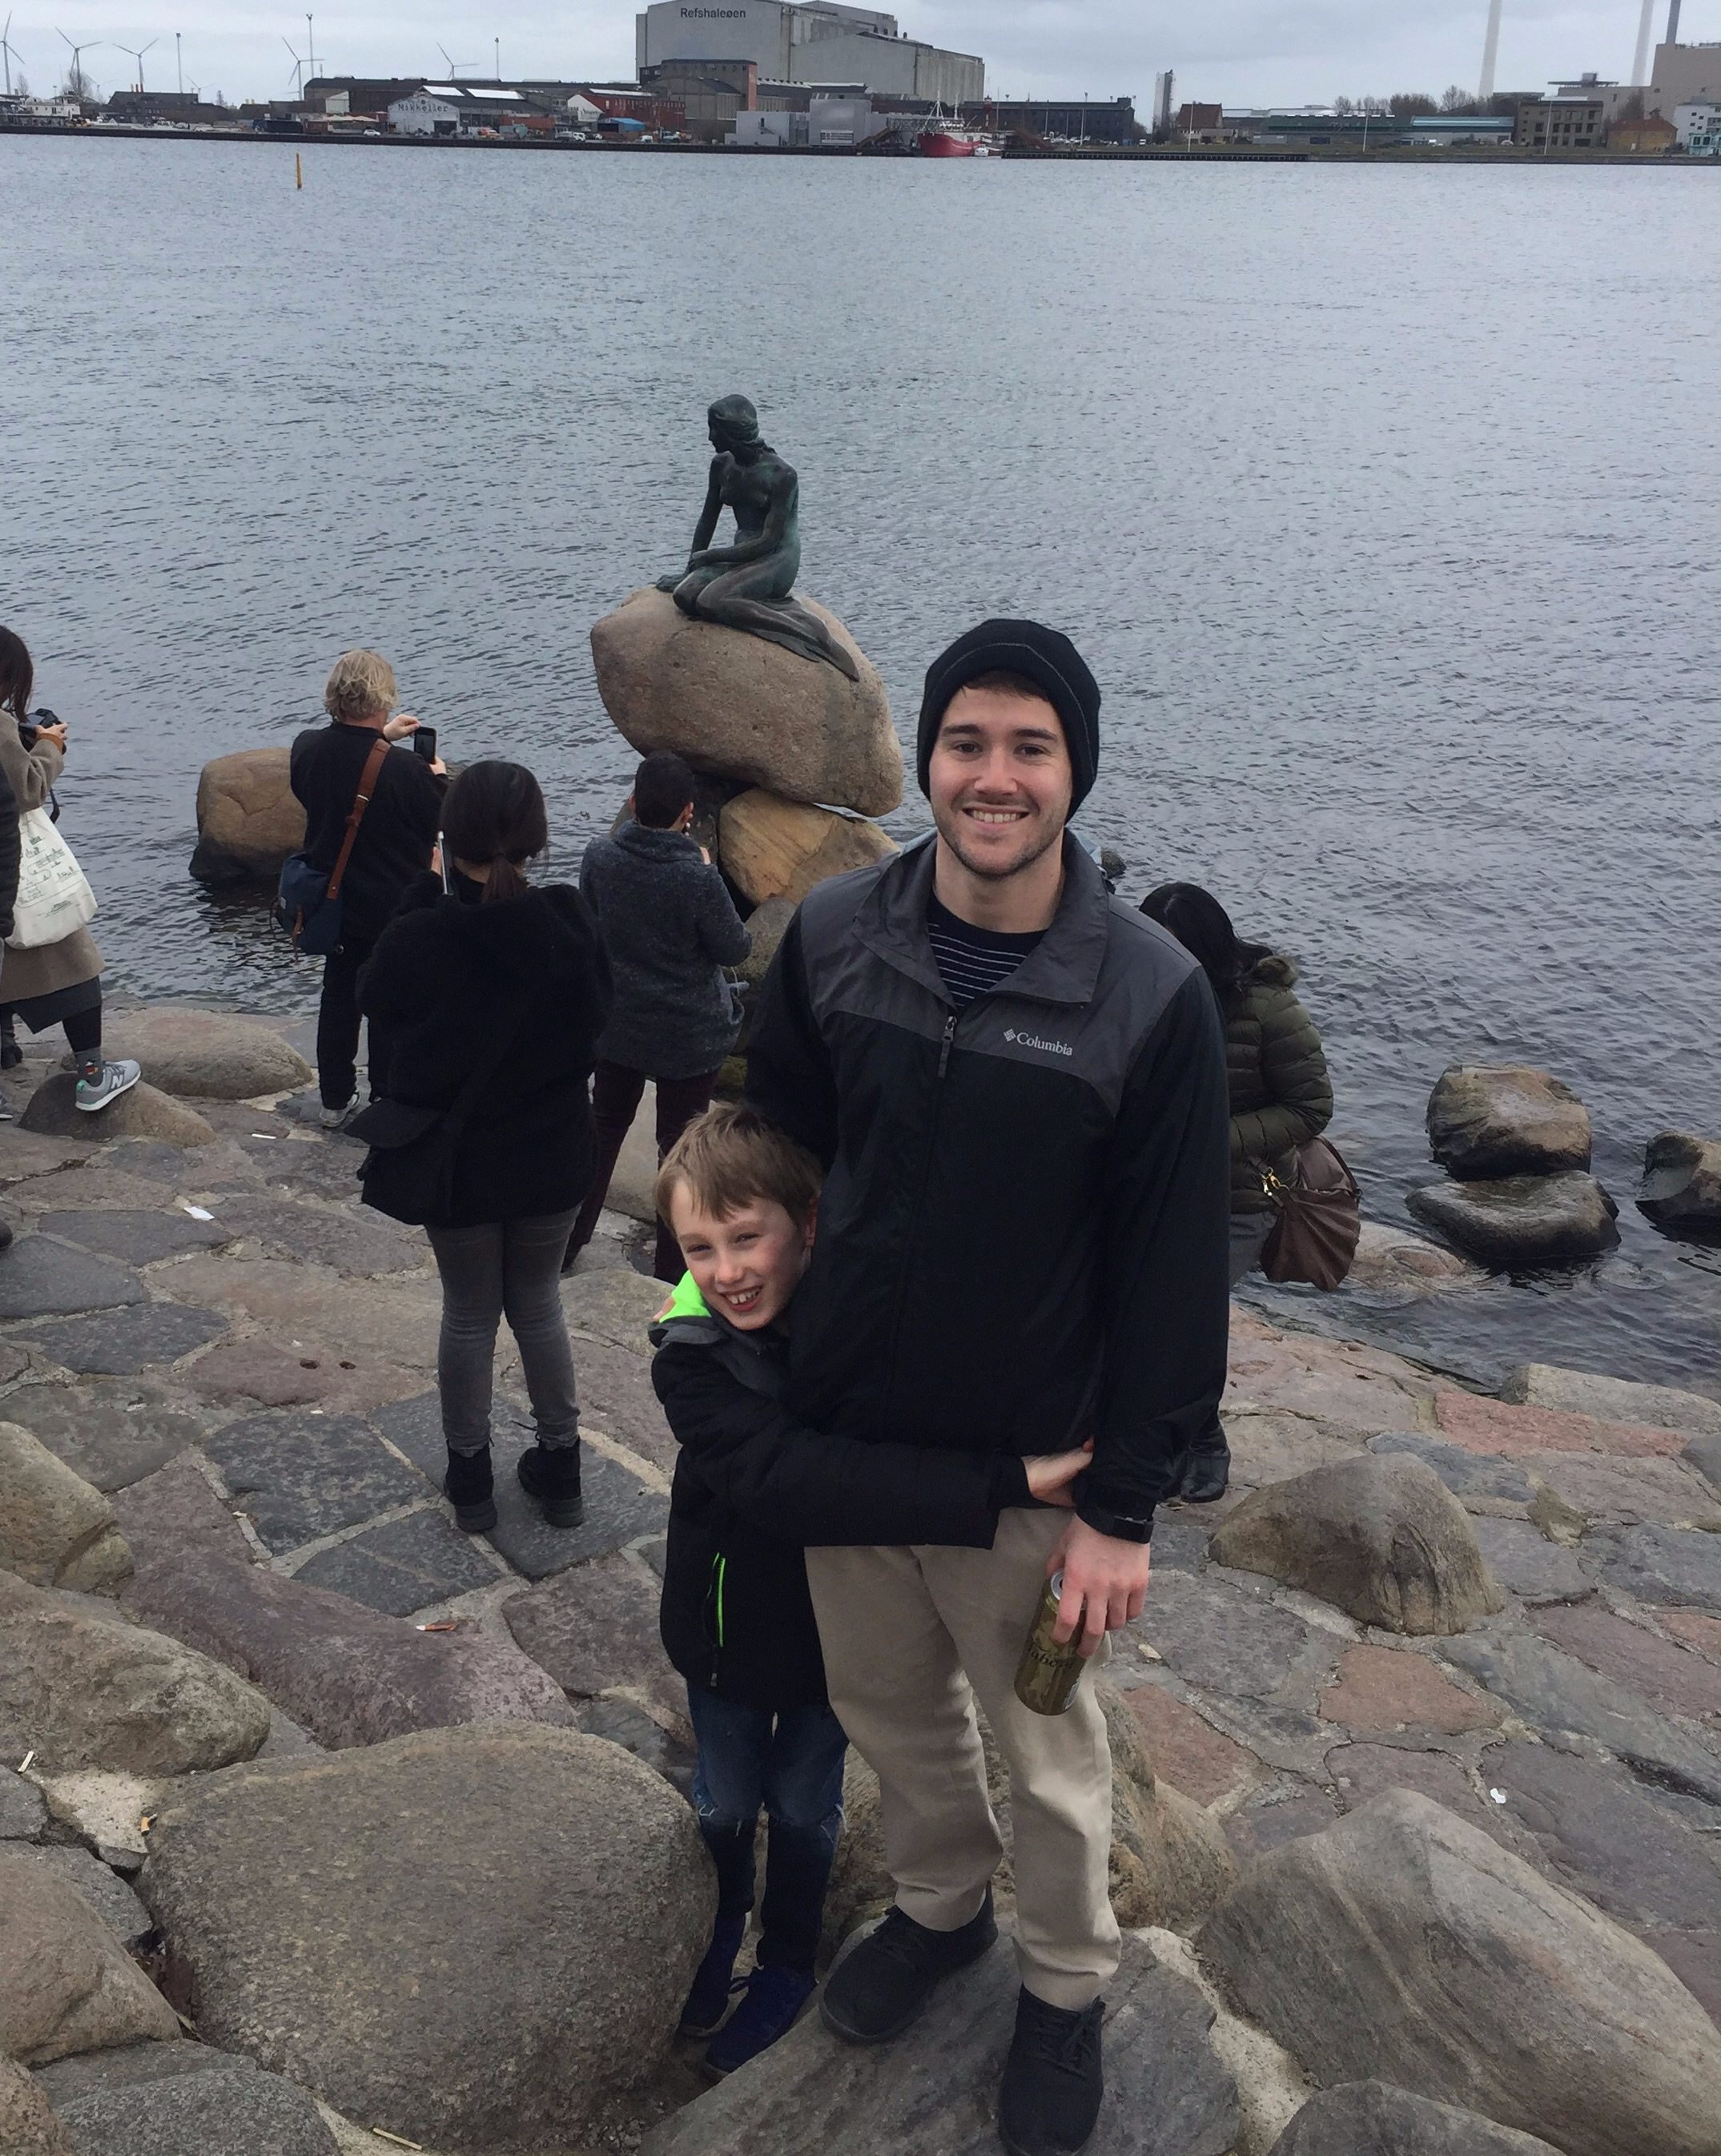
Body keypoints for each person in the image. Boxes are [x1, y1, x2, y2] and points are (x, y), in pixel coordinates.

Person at [743, 620, 1231, 2156]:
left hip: (1038, 1473)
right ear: (928, 758)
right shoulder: (833, 935)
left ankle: (1064, 1986)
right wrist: (714, 1326)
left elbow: (1172, 1273)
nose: (993, 776)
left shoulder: (1149, 994)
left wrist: (1123, 1509)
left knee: (1052, 1764)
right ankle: (940, 1909)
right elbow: (767, 1164)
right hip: (849, 1444)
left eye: (1030, 746)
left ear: (1074, 769)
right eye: (966, 742)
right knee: (888, 1714)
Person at [649, 1103, 1092, 2078]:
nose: (725, 1270)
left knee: (806, 1807)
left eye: (745, 1237)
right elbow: (792, 1480)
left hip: (832, 1645)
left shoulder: (861, 1330)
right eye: (698, 1248)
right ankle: (715, 1933)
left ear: (810, 1221)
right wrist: (1007, 1484)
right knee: (723, 1804)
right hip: (723, 1638)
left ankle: (786, 1960)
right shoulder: (690, 1358)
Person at [356, 762, 611, 1535]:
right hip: (552, 1154)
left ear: (448, 836)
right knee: (538, 1304)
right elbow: (598, 1025)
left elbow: (374, 1000)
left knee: (469, 1314)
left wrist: (418, 892)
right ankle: (561, 1469)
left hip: (460, 1163)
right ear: (535, 839)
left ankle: (470, 1481)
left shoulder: (420, 936)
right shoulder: (569, 925)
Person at [1136, 883, 1333, 1505]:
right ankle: (1156, 1436)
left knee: (1184, 1319)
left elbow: (1309, 1107)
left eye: (1178, 950)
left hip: (1237, 1196)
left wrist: (1207, 1137)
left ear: (1211, 950)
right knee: (1140, 1318)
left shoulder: (1268, 1008)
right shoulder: (1137, 991)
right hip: (1150, 1189)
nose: (1163, 962)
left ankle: (1202, 1439)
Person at [568, 750, 751, 1282]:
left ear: (632, 802)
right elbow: (735, 948)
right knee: (679, 1148)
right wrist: (710, 874)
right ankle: (672, 1270)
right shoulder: (695, 876)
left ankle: (568, 1239)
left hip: (619, 1024)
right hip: (689, 1034)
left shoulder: (599, 857)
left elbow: (590, 925)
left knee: (605, 1126)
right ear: (687, 813)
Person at [290, 650, 446, 1127]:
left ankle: (335, 1100)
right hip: (391, 903)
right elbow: (438, 820)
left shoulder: (306, 749)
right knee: (390, 1001)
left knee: (338, 996)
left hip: (334, 902)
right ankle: (385, 1096)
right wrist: (439, 779)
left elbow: (340, 760)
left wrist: (381, 737)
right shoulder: (406, 771)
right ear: (383, 698)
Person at [0, 627, 140, 1112]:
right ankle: (94, 1077)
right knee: (73, 960)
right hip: (12, 873)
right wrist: (48, 748)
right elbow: (25, 791)